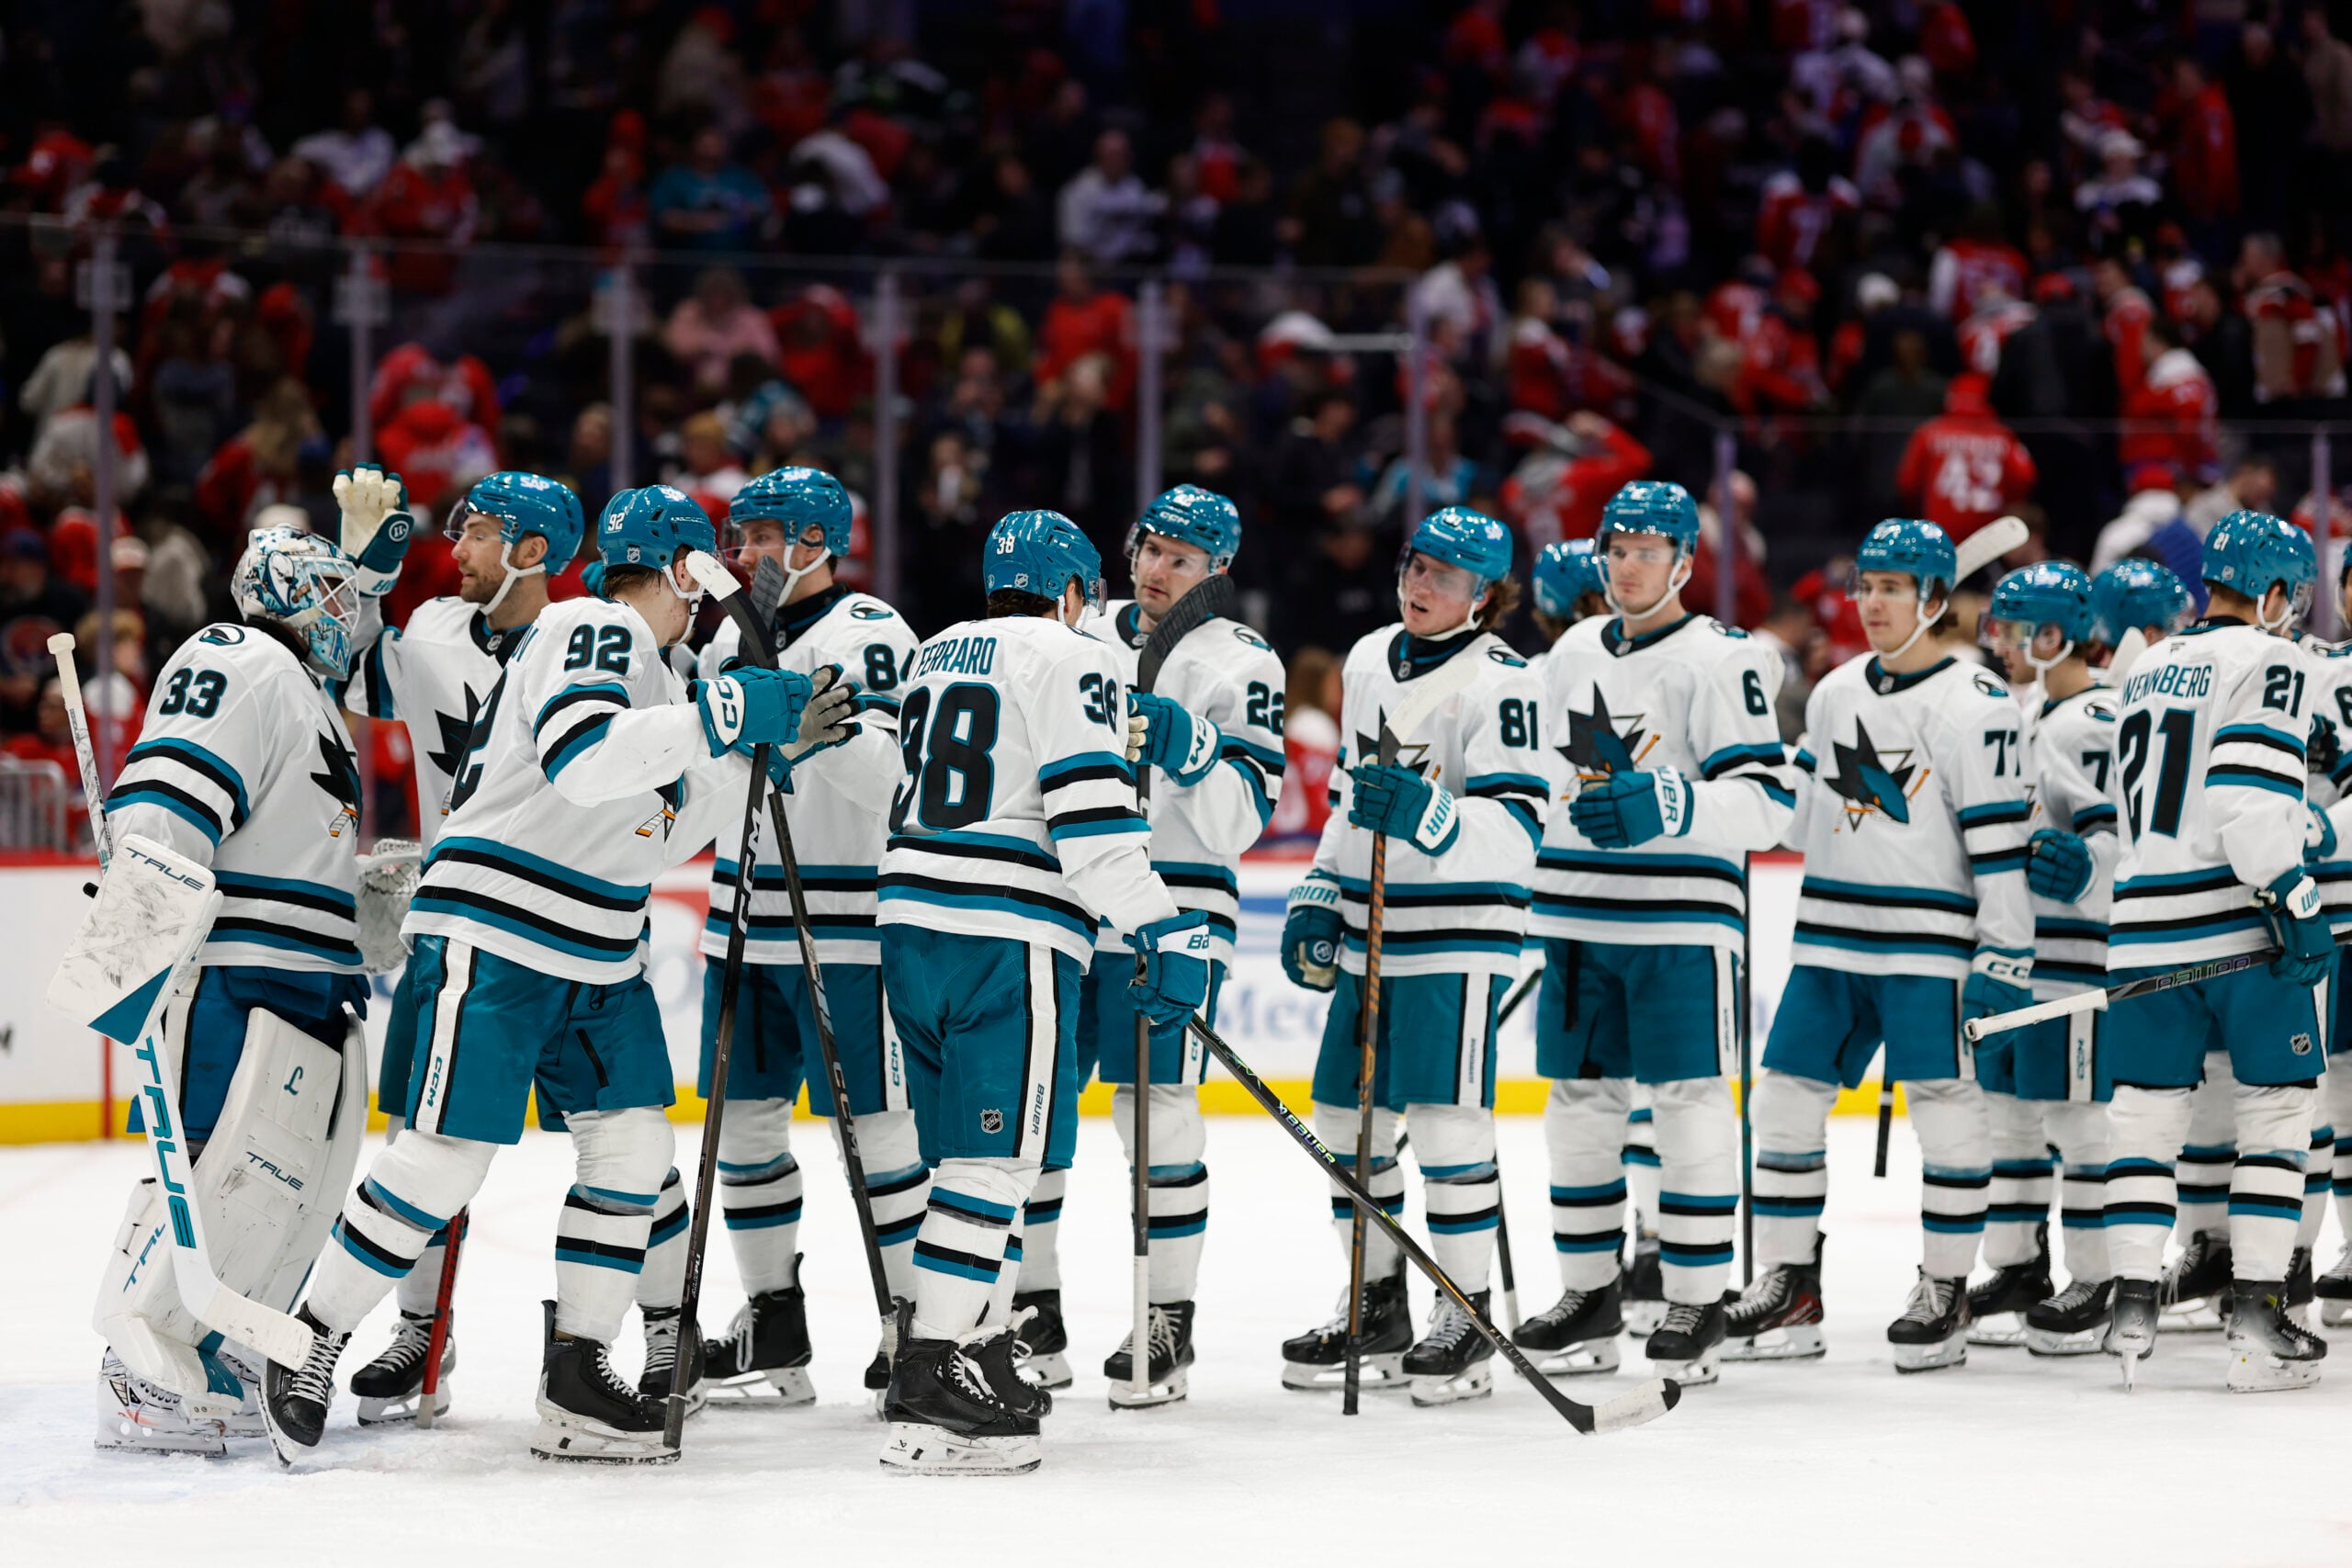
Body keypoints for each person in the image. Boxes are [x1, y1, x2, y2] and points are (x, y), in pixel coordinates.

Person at [261, 485, 844, 1463]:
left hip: (599, 947)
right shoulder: (592, 624)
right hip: (502, 931)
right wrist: (732, 711)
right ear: (680, 572)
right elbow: (583, 760)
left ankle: (577, 1368)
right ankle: (307, 1340)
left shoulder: (657, 674)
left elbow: (657, 832)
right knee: (445, 1158)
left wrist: (758, 761)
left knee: (631, 1155)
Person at [873, 509, 1206, 1473]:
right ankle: (931, 1376)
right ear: (1072, 591)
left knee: (958, 1161)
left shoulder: (934, 651)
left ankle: (973, 1345)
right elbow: (1093, 822)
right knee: (995, 1165)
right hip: (1002, 935)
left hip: (909, 924)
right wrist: (1160, 928)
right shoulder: (1072, 656)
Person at [88, 525, 373, 1455]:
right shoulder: (236, 653)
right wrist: (142, 917)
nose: (348, 613)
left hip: (309, 976)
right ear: (286, 592)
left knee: (281, 1184)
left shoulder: (312, 696)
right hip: (239, 970)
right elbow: (169, 795)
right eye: (331, 593)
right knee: (213, 1157)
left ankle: (215, 1346)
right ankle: (140, 1365)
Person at [1513, 481, 1793, 1388]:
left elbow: (1770, 802)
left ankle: (1697, 1296)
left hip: (1678, 921)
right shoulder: (1569, 650)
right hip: (1574, 913)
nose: (1627, 565)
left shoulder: (1722, 658)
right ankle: (1589, 1295)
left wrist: (1670, 799)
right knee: (1580, 1105)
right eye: (1616, 547)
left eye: (1645, 550)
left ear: (1682, 561)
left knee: (1687, 1101)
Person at [1736, 518, 2030, 1372]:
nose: (1870, 602)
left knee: (1946, 1110)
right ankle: (1789, 1285)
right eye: (1865, 585)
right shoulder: (1831, 693)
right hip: (1830, 939)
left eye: (1891, 587)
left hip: (1930, 946)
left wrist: (2005, 955)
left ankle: (1944, 1289)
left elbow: (1999, 844)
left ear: (1934, 599)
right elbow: (1792, 813)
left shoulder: (1977, 705)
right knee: (1783, 1101)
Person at [1010, 485, 1282, 1405]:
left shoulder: (1242, 661)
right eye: (1150, 549)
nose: (1157, 570)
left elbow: (1242, 822)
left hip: (1172, 904)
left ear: (1218, 570)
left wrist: (1189, 745)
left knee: (1155, 1108)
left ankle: (1167, 1316)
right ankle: (1029, 1310)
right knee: (1035, 1106)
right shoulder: (1079, 632)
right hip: (1062, 898)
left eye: (1182, 558)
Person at [666, 467, 926, 1409]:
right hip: (742, 918)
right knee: (740, 1128)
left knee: (881, 1133)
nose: (745, 553)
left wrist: (817, 737)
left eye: (767, 534)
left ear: (820, 540)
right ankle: (773, 1318)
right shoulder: (725, 638)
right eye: (740, 535)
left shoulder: (873, 633)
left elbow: (902, 776)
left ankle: (915, 1324)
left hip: (846, 923)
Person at [1277, 506, 1549, 1405]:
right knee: (1344, 1125)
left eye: (1445, 575)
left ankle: (1463, 1314)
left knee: (1444, 1124)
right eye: (1414, 566)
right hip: (1371, 934)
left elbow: (1516, 830)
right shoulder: (1365, 660)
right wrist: (1322, 889)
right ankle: (1378, 1303)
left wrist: (1429, 817)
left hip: (1458, 938)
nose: (1420, 585)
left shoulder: (1505, 682)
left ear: (1486, 594)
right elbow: (1354, 804)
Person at [332, 467, 586, 1424]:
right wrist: (363, 579)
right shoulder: (437, 627)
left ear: (533, 551)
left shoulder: (593, 644)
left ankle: (650, 1336)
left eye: (479, 531)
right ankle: (420, 1338)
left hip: (583, 924)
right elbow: (350, 672)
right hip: (473, 918)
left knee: (624, 1147)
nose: (456, 548)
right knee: (428, 1141)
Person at [2100, 510, 2329, 1393]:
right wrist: (2296, 896)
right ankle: (2259, 1318)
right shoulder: (2274, 658)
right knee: (2275, 1115)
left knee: (2144, 1122)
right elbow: (2245, 800)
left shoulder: (2149, 662)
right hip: (2237, 924)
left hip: (2141, 924)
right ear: (2273, 591)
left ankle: (2130, 1309)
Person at [1966, 563, 2119, 1355]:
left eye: (2013, 626)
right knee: (2011, 1117)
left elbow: (2125, 838)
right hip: (2019, 958)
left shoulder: (2088, 720)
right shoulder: (2030, 711)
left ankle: (2096, 1282)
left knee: (2078, 1122)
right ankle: (2020, 1267)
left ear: (2056, 633)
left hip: (2076, 959)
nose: (1998, 639)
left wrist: (2089, 866)